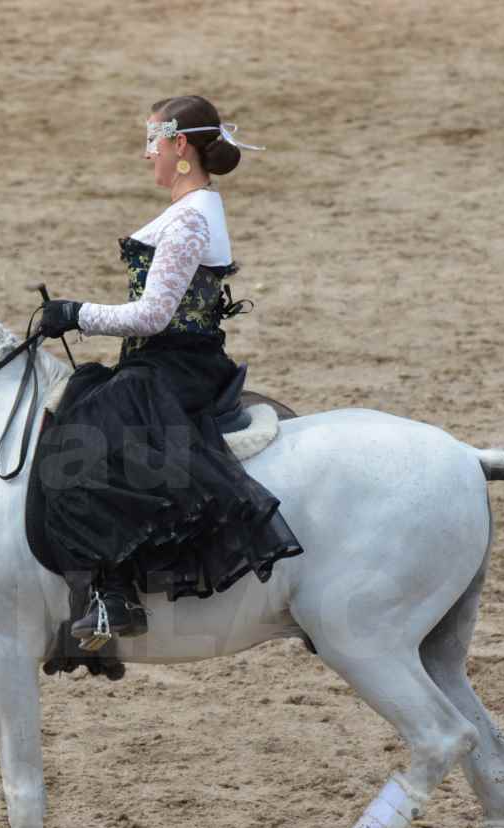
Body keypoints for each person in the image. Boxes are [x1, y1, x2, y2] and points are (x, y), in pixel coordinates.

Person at [34, 94, 303, 649]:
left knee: (83, 443)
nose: (146, 153)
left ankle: (114, 596)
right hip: (168, 359)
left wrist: (75, 313)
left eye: (152, 141)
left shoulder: (189, 219)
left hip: (175, 365)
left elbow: (154, 314)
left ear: (180, 145)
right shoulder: (197, 208)